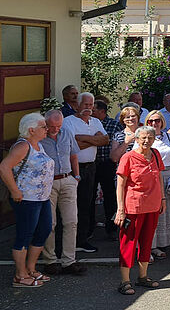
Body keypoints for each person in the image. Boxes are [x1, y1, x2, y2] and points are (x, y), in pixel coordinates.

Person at [0, 113, 54, 287]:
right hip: (26, 199)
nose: (47, 129)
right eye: (43, 127)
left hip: (42, 198)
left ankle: (31, 269)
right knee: (25, 234)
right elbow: (4, 167)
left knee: (44, 230)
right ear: (32, 130)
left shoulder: (37, 145)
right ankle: (20, 275)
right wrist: (14, 191)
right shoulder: (23, 146)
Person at [114, 126, 165, 295]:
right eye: (143, 138)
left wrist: (162, 199)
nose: (146, 141)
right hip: (133, 207)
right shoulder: (127, 157)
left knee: (147, 241)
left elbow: (159, 179)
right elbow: (120, 185)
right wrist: (120, 209)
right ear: (136, 139)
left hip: (152, 206)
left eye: (150, 137)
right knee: (128, 243)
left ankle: (143, 277)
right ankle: (125, 281)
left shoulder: (156, 154)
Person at [39, 110, 84, 276]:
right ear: (45, 123)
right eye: (51, 126)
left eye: (58, 126)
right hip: (48, 183)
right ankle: (49, 261)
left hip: (67, 179)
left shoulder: (67, 132)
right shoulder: (40, 136)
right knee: (50, 223)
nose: (55, 129)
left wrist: (76, 176)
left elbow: (73, 155)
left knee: (71, 221)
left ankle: (69, 261)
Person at [63, 92, 109, 253]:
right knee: (71, 206)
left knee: (86, 204)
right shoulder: (68, 121)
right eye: (85, 105)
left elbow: (105, 140)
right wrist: (93, 139)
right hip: (73, 169)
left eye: (91, 105)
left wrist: (83, 138)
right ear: (78, 105)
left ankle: (81, 240)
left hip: (91, 167)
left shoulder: (96, 121)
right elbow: (70, 144)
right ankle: (69, 241)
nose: (88, 108)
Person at [141, 110, 170, 258]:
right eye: (151, 121)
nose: (154, 124)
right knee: (152, 211)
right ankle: (150, 245)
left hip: (167, 174)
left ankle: (161, 244)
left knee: (166, 211)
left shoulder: (168, 136)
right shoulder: (146, 136)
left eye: (157, 121)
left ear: (162, 122)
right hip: (152, 176)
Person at [91, 100, 123, 241]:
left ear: (102, 111)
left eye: (94, 110)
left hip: (107, 164)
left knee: (110, 197)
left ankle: (111, 228)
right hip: (92, 163)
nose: (92, 112)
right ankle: (89, 228)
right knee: (89, 196)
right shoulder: (90, 123)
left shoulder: (114, 124)